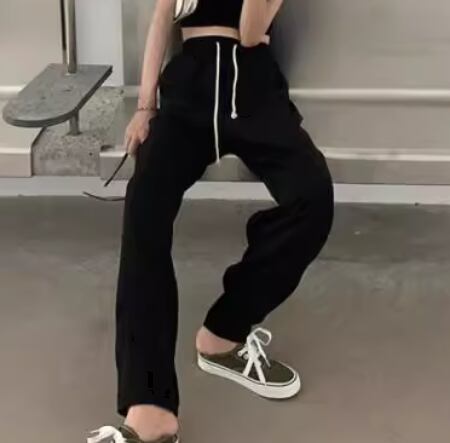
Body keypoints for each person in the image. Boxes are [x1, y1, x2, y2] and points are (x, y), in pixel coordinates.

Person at [88, 0, 334, 442]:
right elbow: (161, 18)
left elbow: (251, 32)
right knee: (144, 212)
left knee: (312, 199)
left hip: (255, 89)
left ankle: (224, 333)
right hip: (190, 91)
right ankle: (150, 409)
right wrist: (145, 106)